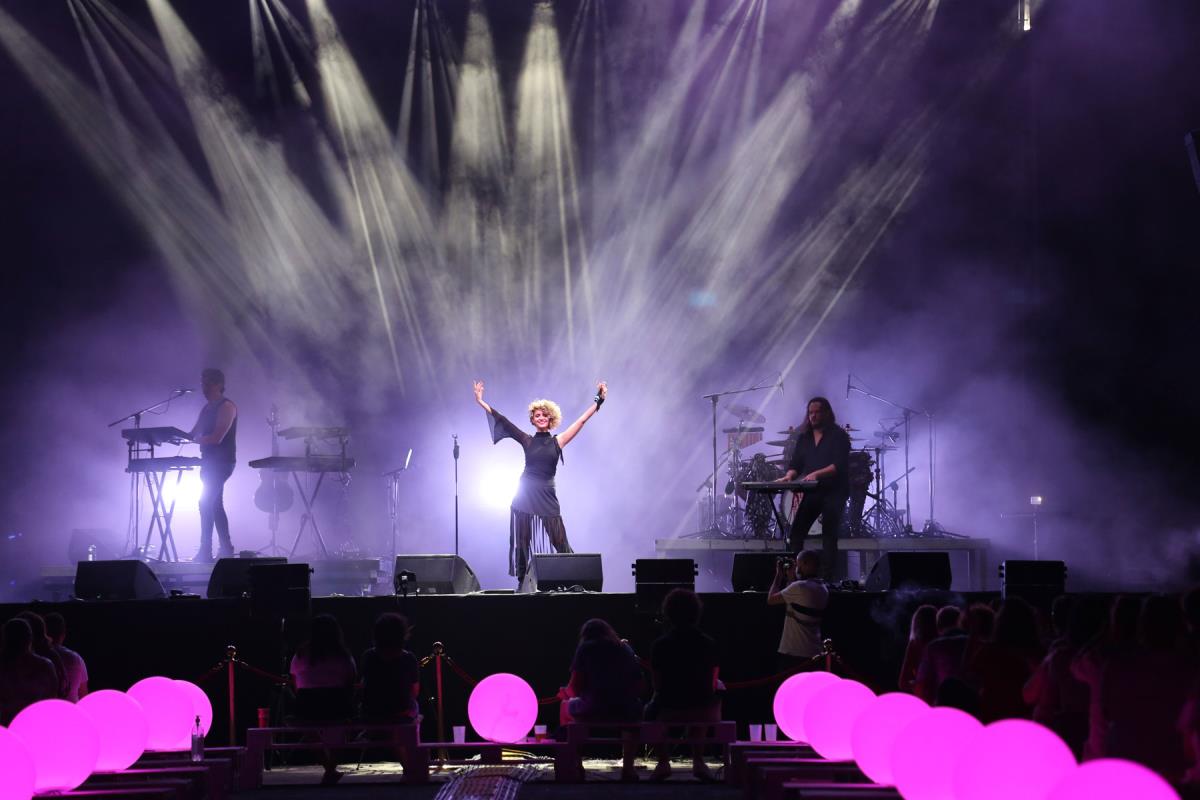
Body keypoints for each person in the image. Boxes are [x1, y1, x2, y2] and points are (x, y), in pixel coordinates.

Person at [473, 379, 607, 586]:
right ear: (533, 420)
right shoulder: (527, 440)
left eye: (545, 415)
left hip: (547, 496)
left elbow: (581, 421)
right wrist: (481, 401)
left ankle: (575, 579)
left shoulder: (558, 441)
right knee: (522, 541)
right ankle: (522, 584)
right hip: (525, 495)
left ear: (550, 418)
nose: (541, 417)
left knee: (559, 540)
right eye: (537, 415)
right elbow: (503, 421)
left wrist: (598, 400)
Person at [645, 589, 721, 783]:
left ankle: (663, 762)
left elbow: (657, 685)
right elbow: (712, 683)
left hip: (669, 708)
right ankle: (698, 761)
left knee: (648, 711)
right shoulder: (708, 643)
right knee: (705, 699)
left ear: (668, 613)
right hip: (703, 710)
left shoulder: (660, 645)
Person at [558, 619, 644, 781]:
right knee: (635, 709)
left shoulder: (585, 648)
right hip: (625, 710)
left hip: (593, 708)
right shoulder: (624, 648)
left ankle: (576, 765)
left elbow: (575, 686)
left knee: (565, 706)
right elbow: (639, 684)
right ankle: (628, 768)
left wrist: (566, 693)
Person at [775, 397, 850, 580]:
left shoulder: (839, 435)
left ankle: (827, 580)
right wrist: (789, 476)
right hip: (814, 492)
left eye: (817, 412)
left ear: (827, 413)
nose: (813, 416)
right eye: (810, 413)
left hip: (834, 491)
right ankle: (795, 577)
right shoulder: (804, 438)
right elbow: (796, 464)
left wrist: (817, 474)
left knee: (829, 536)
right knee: (796, 534)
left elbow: (838, 465)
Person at [288, 614, 357, 785]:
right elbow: (350, 681)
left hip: (307, 707)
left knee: (308, 729)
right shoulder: (343, 655)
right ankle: (330, 768)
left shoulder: (300, 654)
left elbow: (296, 684)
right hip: (337, 705)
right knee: (344, 728)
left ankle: (329, 768)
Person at [189, 368, 238, 562]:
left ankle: (205, 551)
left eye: (208, 383)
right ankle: (226, 549)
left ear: (219, 384)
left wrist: (196, 440)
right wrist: (172, 436)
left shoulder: (227, 407)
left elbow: (217, 438)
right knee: (216, 504)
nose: (204, 387)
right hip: (209, 462)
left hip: (223, 462)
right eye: (203, 383)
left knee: (205, 502)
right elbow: (193, 433)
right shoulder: (207, 408)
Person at [768, 551, 830, 671]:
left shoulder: (799, 587)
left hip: (794, 653)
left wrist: (778, 575)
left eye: (798, 563)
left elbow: (771, 599)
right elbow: (797, 599)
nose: (796, 567)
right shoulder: (822, 588)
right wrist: (792, 578)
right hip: (814, 653)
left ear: (805, 563)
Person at [360, 613, 420, 722]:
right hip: (401, 713)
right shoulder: (409, 658)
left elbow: (364, 686)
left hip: (372, 712)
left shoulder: (368, 656)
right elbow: (414, 691)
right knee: (414, 704)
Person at [0, 618, 59, 724]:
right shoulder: (45, 666)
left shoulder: (45, 666)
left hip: (6, 726)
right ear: (30, 639)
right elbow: (51, 700)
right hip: (36, 724)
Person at [43, 612, 88, 702]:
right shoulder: (76, 658)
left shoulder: (37, 658)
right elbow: (84, 695)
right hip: (71, 709)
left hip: (44, 709)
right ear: (63, 635)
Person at [898, 604, 938, 692]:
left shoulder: (915, 644)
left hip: (924, 693)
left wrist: (918, 684)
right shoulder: (942, 643)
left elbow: (903, 682)